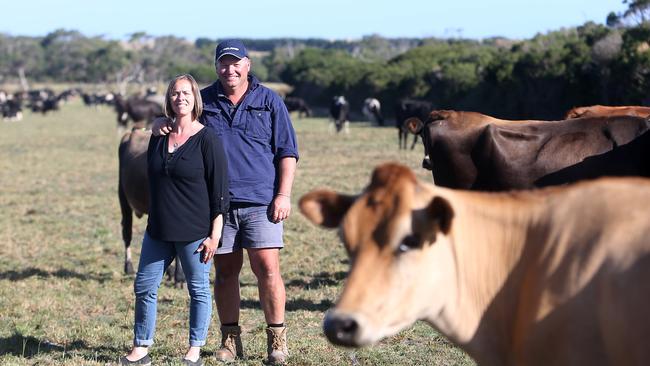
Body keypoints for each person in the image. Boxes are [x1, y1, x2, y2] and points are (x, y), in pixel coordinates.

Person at [153, 39, 298, 364]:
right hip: (216, 206)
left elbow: (287, 152)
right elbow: (174, 120)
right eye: (223, 63)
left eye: (236, 63)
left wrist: (283, 194)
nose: (229, 69)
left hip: (263, 203)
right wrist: (155, 123)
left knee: (268, 270)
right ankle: (230, 341)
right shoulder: (204, 101)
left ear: (247, 65)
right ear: (216, 66)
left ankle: (277, 340)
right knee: (225, 272)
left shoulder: (270, 101)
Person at [121, 74, 230, 366]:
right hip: (158, 229)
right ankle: (141, 348)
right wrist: (155, 125)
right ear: (168, 100)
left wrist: (214, 235)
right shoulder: (158, 138)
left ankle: (195, 349)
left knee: (197, 290)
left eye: (186, 93)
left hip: (195, 231)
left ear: (195, 98)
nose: (180, 98)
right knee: (144, 286)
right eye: (175, 93)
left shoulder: (208, 140)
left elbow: (220, 193)